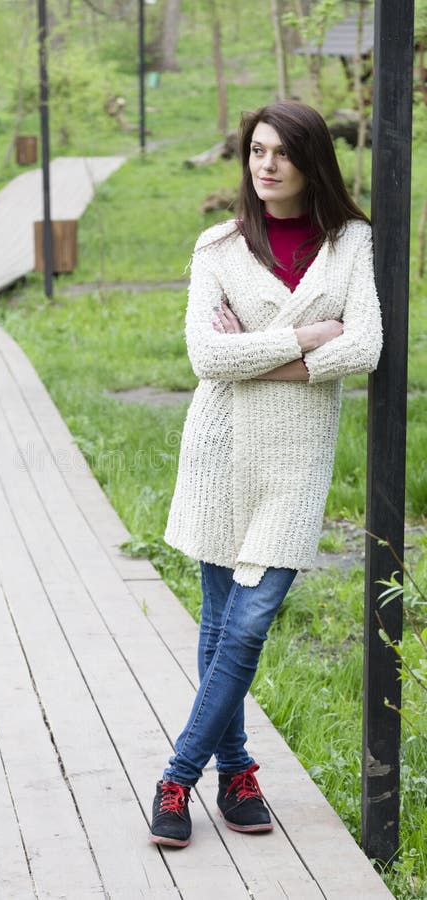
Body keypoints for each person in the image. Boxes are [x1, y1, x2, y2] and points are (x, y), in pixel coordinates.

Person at [148, 100, 382, 847]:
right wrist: (311, 337)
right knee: (220, 623)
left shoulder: (352, 244)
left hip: (296, 461)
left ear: (314, 160)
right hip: (222, 452)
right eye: (256, 150)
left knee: (248, 624)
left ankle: (176, 777)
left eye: (282, 151)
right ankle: (237, 769)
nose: (266, 164)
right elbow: (206, 360)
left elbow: (368, 348)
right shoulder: (216, 247)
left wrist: (263, 355)